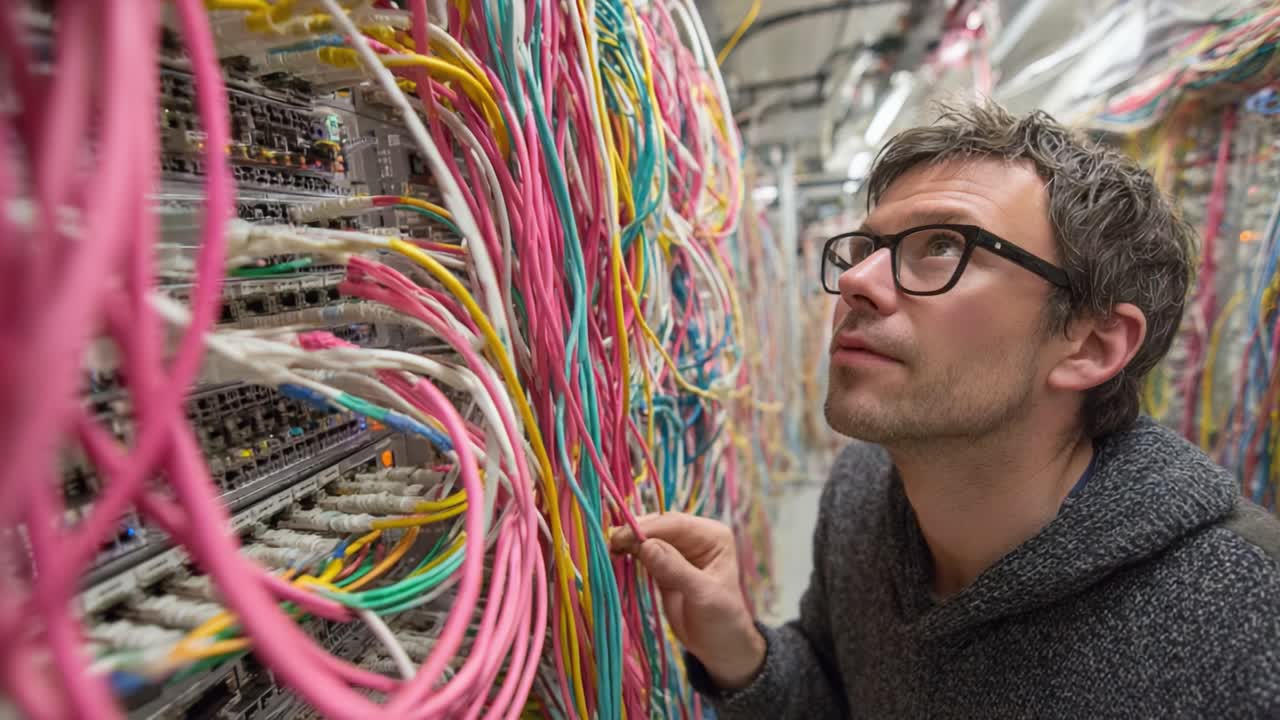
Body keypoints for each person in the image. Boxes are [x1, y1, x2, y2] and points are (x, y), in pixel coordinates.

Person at [611, 102, 1280, 718]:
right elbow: (839, 698)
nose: (854, 282)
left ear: (1091, 344)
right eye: (867, 248)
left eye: (944, 247)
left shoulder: (1245, 618)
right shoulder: (862, 493)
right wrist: (740, 652)